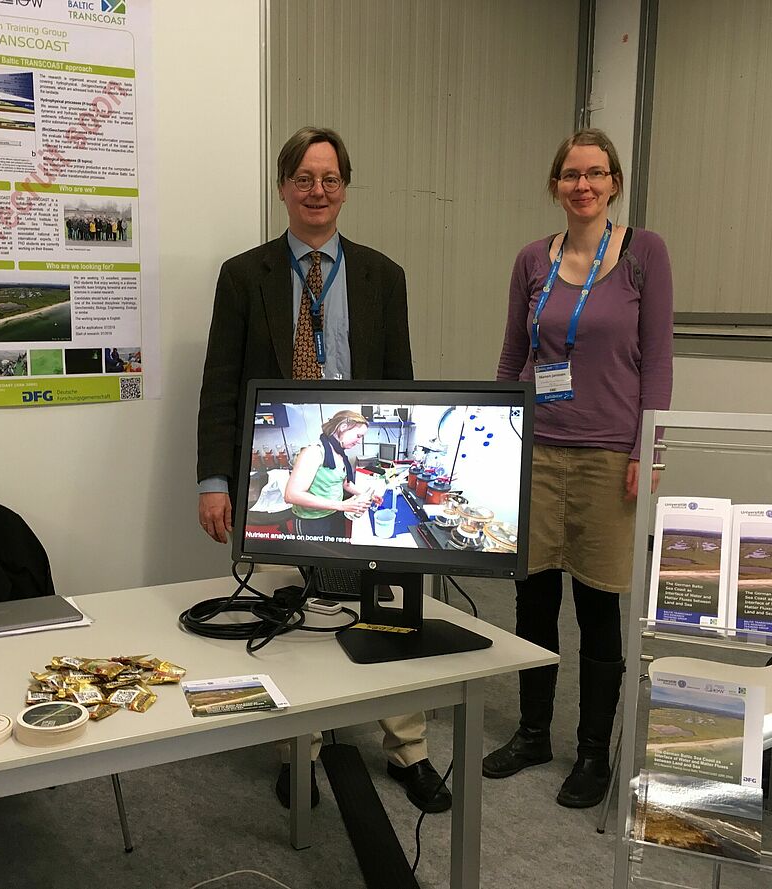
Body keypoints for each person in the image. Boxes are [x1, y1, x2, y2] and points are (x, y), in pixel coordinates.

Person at [196, 126, 449, 814]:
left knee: (391, 608)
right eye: (304, 179)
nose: (317, 191)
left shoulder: (381, 275)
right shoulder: (244, 275)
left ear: (345, 187)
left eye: (329, 178)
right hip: (281, 473)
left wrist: (394, 471)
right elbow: (220, 384)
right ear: (283, 187)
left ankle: (409, 749)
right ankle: (297, 751)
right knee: (286, 609)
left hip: (362, 465)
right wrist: (215, 480)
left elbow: (403, 384)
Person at [487, 128, 673, 808]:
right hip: (537, 446)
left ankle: (591, 751)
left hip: (605, 455)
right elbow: (513, 355)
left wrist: (645, 451)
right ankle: (534, 730)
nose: (583, 184)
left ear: (614, 183)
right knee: (533, 596)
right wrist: (497, 437)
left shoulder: (644, 254)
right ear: (555, 185)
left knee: (597, 603)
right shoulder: (532, 259)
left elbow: (657, 361)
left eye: (596, 173)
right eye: (570, 174)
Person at [284, 410, 380, 540]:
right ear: (343, 427)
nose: (359, 441)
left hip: (334, 513)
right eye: (358, 435)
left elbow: (344, 483)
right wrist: (342, 505)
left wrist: (367, 495)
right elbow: (291, 495)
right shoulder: (314, 452)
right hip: (311, 521)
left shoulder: (339, 453)